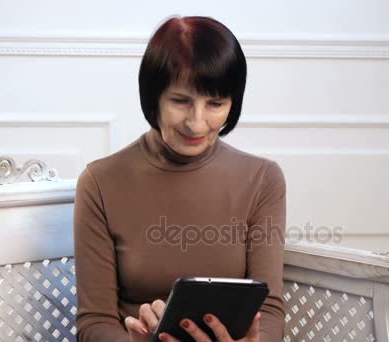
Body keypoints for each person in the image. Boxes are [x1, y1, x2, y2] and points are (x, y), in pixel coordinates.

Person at [73, 15, 286, 342]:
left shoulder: (262, 179)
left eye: (215, 103)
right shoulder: (100, 182)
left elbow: (269, 308)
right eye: (180, 101)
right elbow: (94, 322)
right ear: (153, 96)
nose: (197, 124)